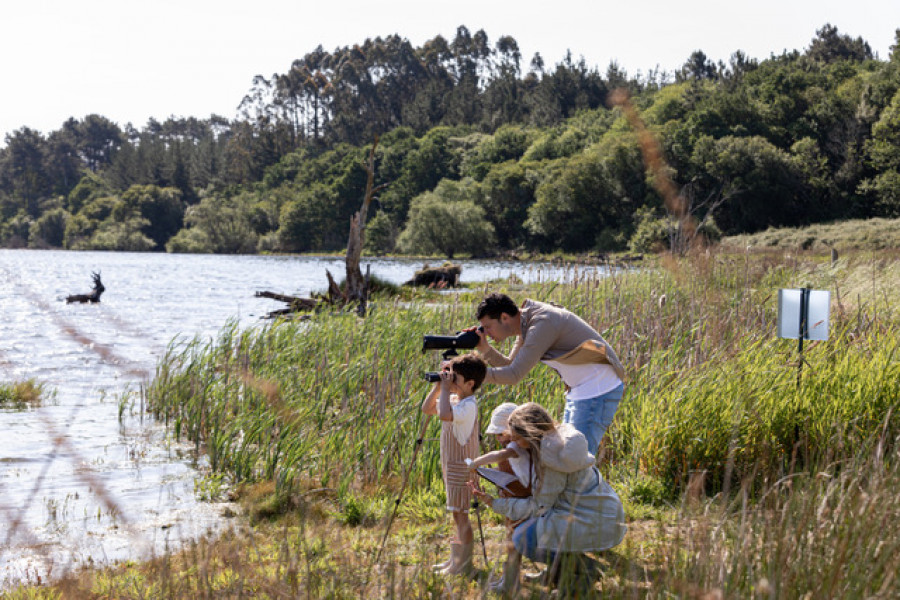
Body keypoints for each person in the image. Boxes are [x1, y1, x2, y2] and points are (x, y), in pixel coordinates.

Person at [470, 402, 627, 595]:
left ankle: (582, 574)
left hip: (594, 522)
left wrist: (494, 503)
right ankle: (559, 573)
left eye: (518, 439)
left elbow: (538, 507)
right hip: (604, 515)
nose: (516, 444)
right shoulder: (561, 443)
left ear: (530, 435)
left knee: (524, 537)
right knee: (545, 526)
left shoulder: (553, 461)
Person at [474, 293, 626, 455]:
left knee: (577, 459)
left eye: (488, 327)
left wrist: (472, 374)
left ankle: (594, 482)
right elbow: (510, 365)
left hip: (597, 388)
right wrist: (485, 349)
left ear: (504, 317)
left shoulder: (541, 323)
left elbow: (513, 375)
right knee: (567, 455)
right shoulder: (526, 322)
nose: (487, 332)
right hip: (579, 391)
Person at [421, 352, 487, 576]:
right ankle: (455, 561)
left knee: (461, 515)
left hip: (462, 468)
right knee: (456, 514)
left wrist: (447, 390)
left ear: (470, 384)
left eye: (454, 379)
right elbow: (428, 409)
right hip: (452, 466)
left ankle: (463, 563)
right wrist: (439, 387)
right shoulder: (456, 399)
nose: (451, 382)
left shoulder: (468, 406)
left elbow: (444, 415)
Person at [467, 401, 534, 593]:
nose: (498, 438)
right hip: (512, 498)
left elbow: (500, 454)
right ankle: (509, 578)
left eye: (500, 433)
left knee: (513, 543)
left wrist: (477, 462)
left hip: (521, 500)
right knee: (510, 539)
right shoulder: (516, 444)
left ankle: (510, 582)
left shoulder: (517, 446)